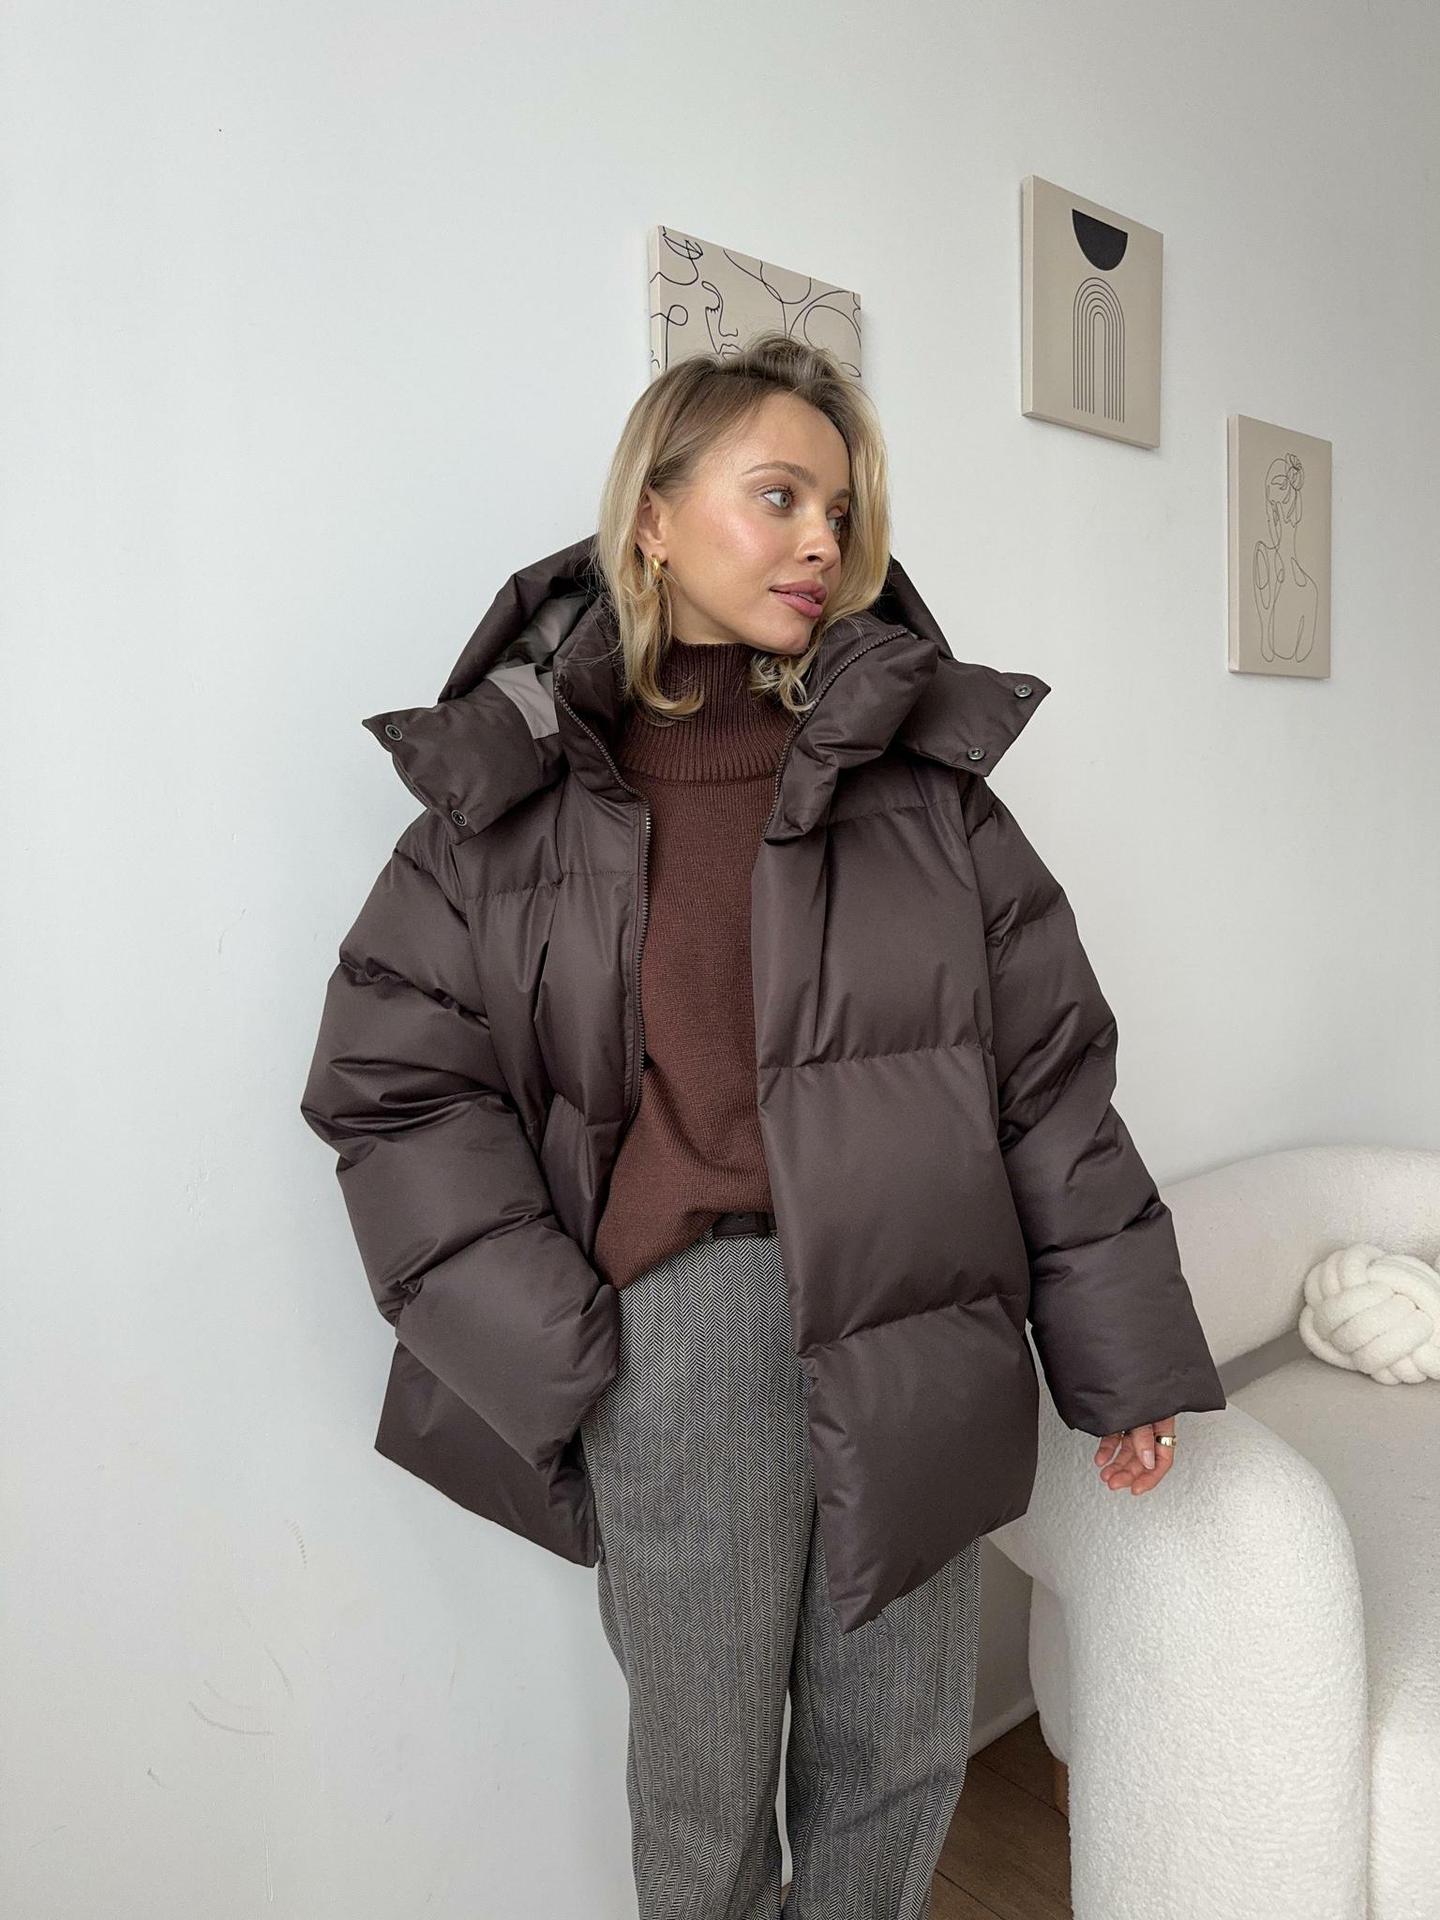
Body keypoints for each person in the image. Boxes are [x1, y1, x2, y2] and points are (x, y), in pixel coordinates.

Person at [300, 331, 1227, 1916]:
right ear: (651, 517)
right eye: (780, 494)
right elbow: (394, 1083)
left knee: (901, 1757)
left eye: (841, 509)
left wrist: (1122, 1354)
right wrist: (572, 1332)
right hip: (688, 1332)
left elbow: (1048, 1077)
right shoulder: (510, 799)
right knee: (707, 1790)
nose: (822, 540)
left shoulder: (927, 795)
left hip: (923, 1310)